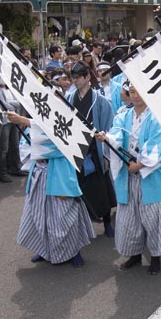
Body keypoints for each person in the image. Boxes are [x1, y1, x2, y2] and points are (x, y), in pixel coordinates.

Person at [97, 84, 161, 276]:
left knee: (153, 219)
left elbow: (158, 143)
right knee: (129, 219)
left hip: (149, 176)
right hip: (128, 175)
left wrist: (140, 164)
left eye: (139, 90)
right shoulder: (123, 116)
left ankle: (156, 258)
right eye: (132, 91)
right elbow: (116, 135)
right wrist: (106, 137)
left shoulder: (156, 118)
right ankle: (134, 254)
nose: (136, 95)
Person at [9, 110, 93, 267]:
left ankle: (75, 251)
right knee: (39, 213)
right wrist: (34, 150)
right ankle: (43, 249)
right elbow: (24, 145)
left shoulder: (63, 121)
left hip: (61, 173)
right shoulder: (35, 121)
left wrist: (27, 122)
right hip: (39, 173)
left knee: (65, 214)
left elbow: (60, 143)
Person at [68, 60, 116, 238]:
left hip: (95, 150)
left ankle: (107, 222)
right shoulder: (69, 98)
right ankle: (83, 225)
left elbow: (108, 127)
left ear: (88, 77)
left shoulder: (100, 100)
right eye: (73, 77)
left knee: (101, 188)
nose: (75, 81)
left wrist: (106, 154)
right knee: (79, 188)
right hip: (76, 149)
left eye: (79, 77)